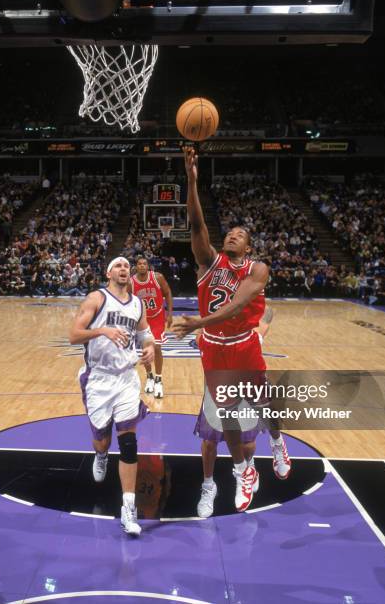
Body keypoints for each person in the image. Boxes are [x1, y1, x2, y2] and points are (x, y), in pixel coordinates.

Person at [173, 147, 291, 514]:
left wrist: (198, 322)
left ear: (249, 245)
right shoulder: (208, 261)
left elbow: (239, 305)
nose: (233, 235)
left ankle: (277, 441)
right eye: (231, 232)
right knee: (226, 420)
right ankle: (243, 472)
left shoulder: (258, 269)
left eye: (240, 234)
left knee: (262, 402)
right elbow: (196, 224)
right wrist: (191, 180)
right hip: (214, 348)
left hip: (243, 344)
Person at [69, 256, 155, 536]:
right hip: (99, 379)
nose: (123, 270)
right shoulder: (97, 298)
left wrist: (151, 347)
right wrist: (103, 330)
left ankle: (128, 508)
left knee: (129, 441)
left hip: (126, 378)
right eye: (118, 266)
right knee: (102, 438)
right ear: (108, 272)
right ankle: (101, 454)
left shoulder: (137, 304)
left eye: (126, 267)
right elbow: (73, 335)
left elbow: (146, 335)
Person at [196, 305, 274, 518]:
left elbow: (268, 313)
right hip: (216, 394)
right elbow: (199, 333)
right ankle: (209, 486)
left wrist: (249, 300)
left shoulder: (252, 336)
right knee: (209, 443)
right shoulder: (208, 337)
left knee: (247, 444)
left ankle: (248, 468)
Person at [131, 256, 173, 399]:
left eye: (144, 263)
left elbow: (167, 293)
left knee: (157, 347)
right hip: (142, 319)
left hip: (157, 317)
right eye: (139, 264)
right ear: (136, 266)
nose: (142, 266)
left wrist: (170, 313)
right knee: (145, 349)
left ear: (148, 266)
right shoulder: (131, 282)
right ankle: (149, 376)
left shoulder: (157, 277)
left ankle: (159, 380)